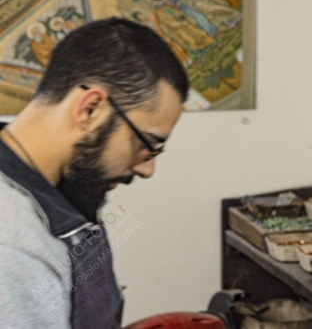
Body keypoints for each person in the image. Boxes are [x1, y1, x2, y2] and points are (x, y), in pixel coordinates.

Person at [0, 18, 188, 328]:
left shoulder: (64, 187)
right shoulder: (14, 250)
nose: (147, 168)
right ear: (90, 109)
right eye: (146, 145)